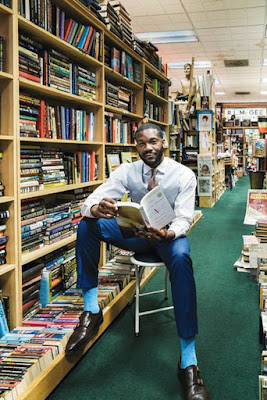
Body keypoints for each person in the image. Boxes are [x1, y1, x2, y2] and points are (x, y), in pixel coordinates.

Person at [65, 123, 210, 400]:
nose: (149, 148)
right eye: (142, 144)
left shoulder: (183, 175)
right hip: (136, 234)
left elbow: (184, 218)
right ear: (136, 147)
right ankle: (91, 310)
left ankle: (188, 362)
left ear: (164, 142)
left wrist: (167, 233)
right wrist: (97, 208)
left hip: (167, 237)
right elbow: (95, 197)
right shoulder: (127, 171)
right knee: (87, 225)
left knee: (181, 258)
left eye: (154, 142)